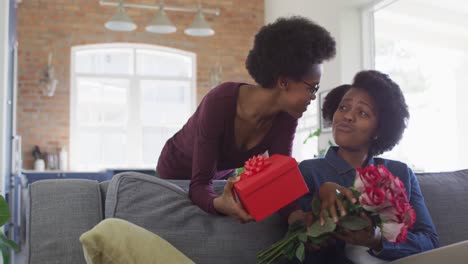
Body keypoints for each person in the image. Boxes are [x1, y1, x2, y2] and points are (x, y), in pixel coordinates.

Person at [156, 16, 336, 222]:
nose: (314, 97)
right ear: (284, 82)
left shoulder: (285, 117)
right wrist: (217, 203)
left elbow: (281, 176)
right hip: (176, 172)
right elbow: (199, 184)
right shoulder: (220, 101)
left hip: (219, 179)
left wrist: (296, 216)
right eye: (312, 88)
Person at [291, 70, 439, 263]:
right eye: (343, 107)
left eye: (362, 112)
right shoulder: (308, 172)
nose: (348, 116)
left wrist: (377, 240)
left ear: (379, 129)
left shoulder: (400, 173)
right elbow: (298, 239)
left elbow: (430, 242)